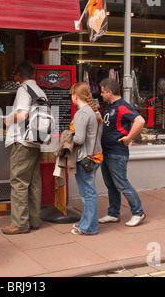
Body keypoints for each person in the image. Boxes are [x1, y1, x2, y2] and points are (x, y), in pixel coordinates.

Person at [2, 60, 46, 235]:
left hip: (23, 141)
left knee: (19, 181)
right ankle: (34, 220)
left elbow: (22, 114)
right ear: (33, 74)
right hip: (36, 141)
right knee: (34, 182)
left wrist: (7, 120)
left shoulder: (23, 89)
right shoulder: (40, 91)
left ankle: (20, 223)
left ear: (18, 76)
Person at [99, 78, 146, 227]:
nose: (100, 94)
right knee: (111, 185)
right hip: (107, 152)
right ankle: (113, 213)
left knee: (122, 184)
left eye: (102, 91)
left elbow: (140, 120)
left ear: (109, 92)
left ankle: (138, 212)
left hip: (116, 152)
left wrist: (129, 138)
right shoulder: (110, 106)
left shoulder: (122, 106)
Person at [70, 82, 103, 235]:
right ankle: (85, 223)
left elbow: (79, 139)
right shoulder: (95, 111)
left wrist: (68, 135)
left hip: (84, 158)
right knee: (87, 193)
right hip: (95, 156)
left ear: (75, 96)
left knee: (87, 194)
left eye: (71, 95)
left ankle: (89, 227)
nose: (71, 98)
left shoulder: (82, 113)